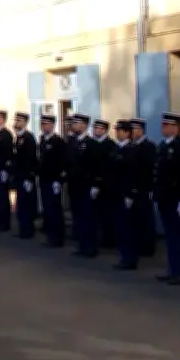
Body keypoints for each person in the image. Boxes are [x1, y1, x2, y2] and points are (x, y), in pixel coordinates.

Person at [153, 112, 180, 285]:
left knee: (179, 237)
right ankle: (172, 270)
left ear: (176, 128)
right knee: (170, 237)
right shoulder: (163, 145)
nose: (163, 127)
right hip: (165, 198)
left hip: (177, 198)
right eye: (163, 124)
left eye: (167, 125)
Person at [67, 113, 101, 258]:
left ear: (84, 125)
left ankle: (90, 247)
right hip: (74, 185)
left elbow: (97, 166)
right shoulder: (72, 142)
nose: (74, 126)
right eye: (73, 123)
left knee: (88, 217)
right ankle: (81, 245)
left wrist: (96, 184)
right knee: (78, 217)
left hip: (86, 185)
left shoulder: (91, 143)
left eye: (77, 123)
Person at [111, 119, 139, 270]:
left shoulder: (132, 150)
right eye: (116, 130)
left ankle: (130, 258)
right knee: (120, 227)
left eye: (120, 131)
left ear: (128, 133)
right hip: (116, 192)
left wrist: (131, 193)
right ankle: (123, 256)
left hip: (126, 193)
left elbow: (134, 174)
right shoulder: (117, 148)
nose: (117, 133)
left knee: (128, 227)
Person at [38, 114, 67, 248]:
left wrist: (59, 180)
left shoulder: (58, 141)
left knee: (54, 209)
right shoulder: (42, 140)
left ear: (52, 125)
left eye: (46, 124)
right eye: (42, 124)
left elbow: (62, 162)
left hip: (53, 180)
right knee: (47, 209)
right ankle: (50, 236)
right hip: (44, 179)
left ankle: (57, 238)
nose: (44, 127)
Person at [129, 118, 157, 258]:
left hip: (145, 187)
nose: (131, 132)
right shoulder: (132, 145)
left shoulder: (148, 146)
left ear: (141, 130)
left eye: (134, 129)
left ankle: (147, 247)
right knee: (136, 219)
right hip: (135, 187)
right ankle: (139, 244)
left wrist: (151, 188)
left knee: (146, 218)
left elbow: (150, 168)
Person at [11, 112, 38, 239]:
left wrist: (29, 177)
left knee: (27, 204)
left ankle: (28, 230)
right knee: (21, 203)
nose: (16, 123)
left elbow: (30, 159)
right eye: (16, 120)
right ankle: (23, 229)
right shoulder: (18, 137)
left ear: (25, 123)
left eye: (19, 121)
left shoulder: (28, 138)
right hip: (19, 176)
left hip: (26, 176)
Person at [92, 119, 117, 248]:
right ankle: (99, 238)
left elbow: (108, 167)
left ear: (104, 130)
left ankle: (109, 239)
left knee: (107, 213)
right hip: (94, 184)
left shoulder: (110, 145)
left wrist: (100, 181)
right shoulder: (92, 144)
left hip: (106, 185)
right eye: (95, 128)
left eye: (98, 128)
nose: (95, 130)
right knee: (96, 213)